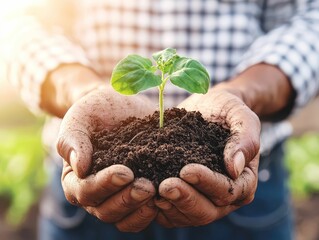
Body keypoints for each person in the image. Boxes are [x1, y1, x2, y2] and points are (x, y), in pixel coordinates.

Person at [1, 0, 319, 239]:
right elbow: (21, 21)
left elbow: (310, 21)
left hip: (240, 175)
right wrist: (79, 90)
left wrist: (243, 94)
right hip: (90, 183)